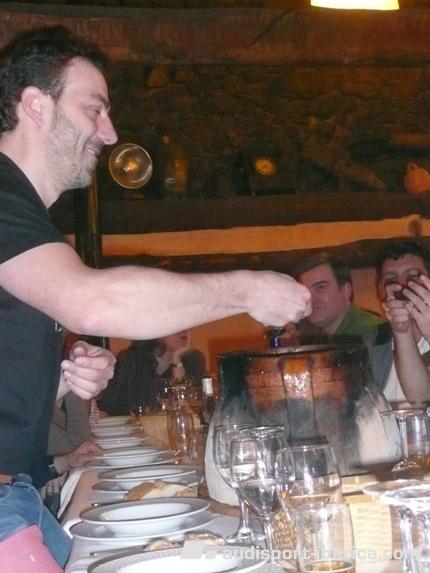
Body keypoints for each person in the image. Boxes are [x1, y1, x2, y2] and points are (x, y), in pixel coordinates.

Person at [0, 26, 311, 567]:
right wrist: (248, 288)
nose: (109, 132)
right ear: (35, 105)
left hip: (18, 492)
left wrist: (57, 381)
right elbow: (93, 303)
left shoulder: (23, 213)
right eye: (94, 109)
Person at [293, 252, 392, 390]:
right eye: (305, 291)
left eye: (320, 287)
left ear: (346, 291)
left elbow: (372, 396)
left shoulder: (375, 333)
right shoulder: (315, 338)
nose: (311, 298)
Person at [98, 330, 206, 415]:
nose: (184, 330)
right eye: (176, 326)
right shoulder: (131, 359)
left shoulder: (193, 359)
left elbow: (189, 410)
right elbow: (109, 407)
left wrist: (177, 361)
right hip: (136, 433)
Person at [376, 240, 430, 405]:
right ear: (380, 290)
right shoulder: (374, 343)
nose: (401, 286)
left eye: (412, 277)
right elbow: (420, 401)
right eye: (391, 280)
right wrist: (402, 331)